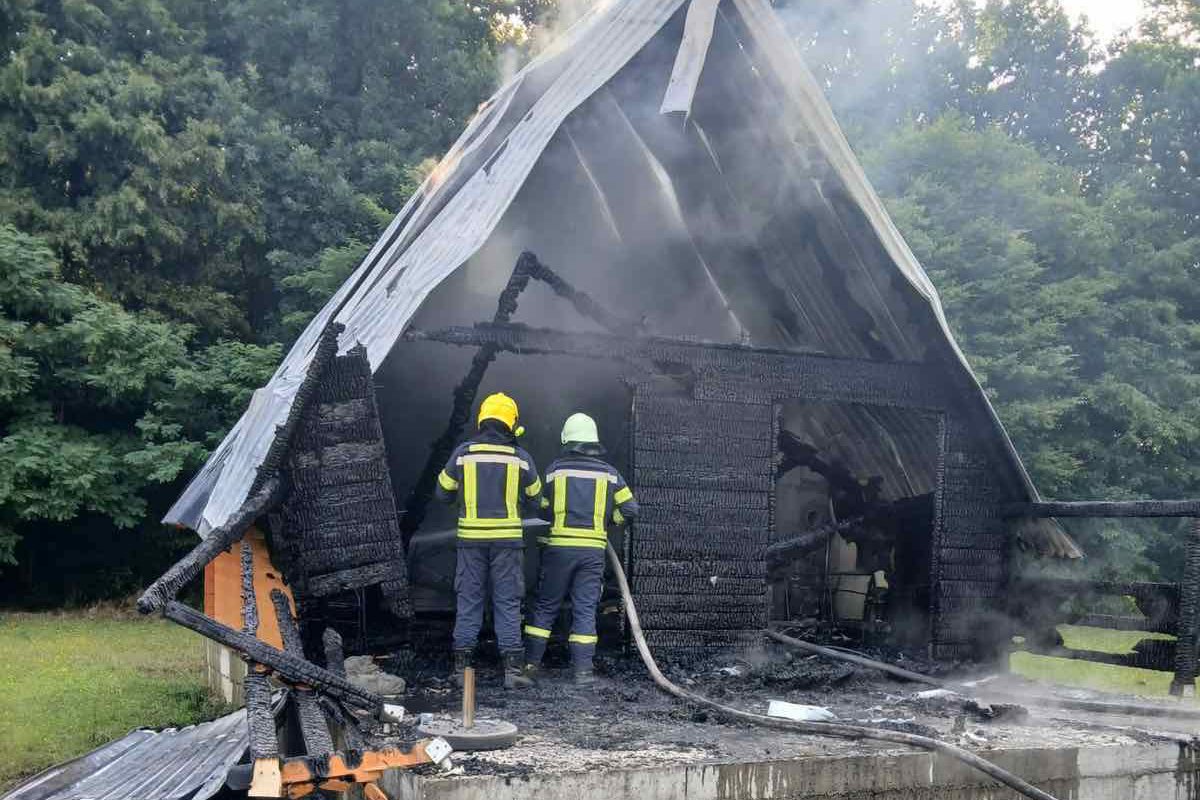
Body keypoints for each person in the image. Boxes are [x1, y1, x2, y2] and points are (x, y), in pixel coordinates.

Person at [436, 392, 543, 689]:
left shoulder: (462, 453)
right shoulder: (521, 458)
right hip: (507, 544)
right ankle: (512, 672)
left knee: (469, 601)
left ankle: (461, 671)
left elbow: (442, 493)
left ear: (482, 418)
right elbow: (537, 500)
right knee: (507, 602)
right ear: (511, 423)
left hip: (470, 542)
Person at [523, 412, 638, 685]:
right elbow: (631, 509)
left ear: (567, 440)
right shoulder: (611, 475)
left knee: (546, 606)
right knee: (585, 609)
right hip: (592, 551)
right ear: (593, 442)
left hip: (559, 549)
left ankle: (530, 666)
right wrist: (610, 521)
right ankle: (583, 672)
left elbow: (540, 506)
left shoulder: (554, 470)